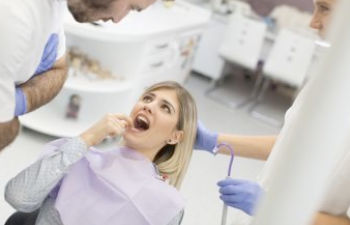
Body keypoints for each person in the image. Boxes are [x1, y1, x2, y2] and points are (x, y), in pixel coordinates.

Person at [195, 0, 350, 224]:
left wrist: (278, 207)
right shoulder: (332, 75)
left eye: (324, 8)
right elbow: (294, 144)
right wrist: (214, 142)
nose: (313, 22)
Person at [5, 81, 197, 225]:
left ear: (174, 137)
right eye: (147, 98)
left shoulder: (165, 204)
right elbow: (17, 197)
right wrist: (88, 138)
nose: (148, 106)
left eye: (165, 108)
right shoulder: (78, 159)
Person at [0, 0, 156, 151]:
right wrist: (12, 127)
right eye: (131, 7)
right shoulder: (14, 14)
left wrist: (14, 103)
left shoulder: (54, 5)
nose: (117, 19)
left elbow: (60, 69)